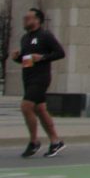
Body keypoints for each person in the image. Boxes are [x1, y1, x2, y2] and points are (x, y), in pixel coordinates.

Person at [9, 9, 65, 158]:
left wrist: (42, 57)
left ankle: (34, 142)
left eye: (29, 18)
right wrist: (17, 57)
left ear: (38, 20)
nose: (25, 20)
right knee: (40, 109)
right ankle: (55, 141)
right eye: (25, 18)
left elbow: (60, 53)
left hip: (40, 78)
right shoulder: (25, 38)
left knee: (26, 106)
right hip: (28, 77)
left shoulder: (45, 35)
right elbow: (27, 60)